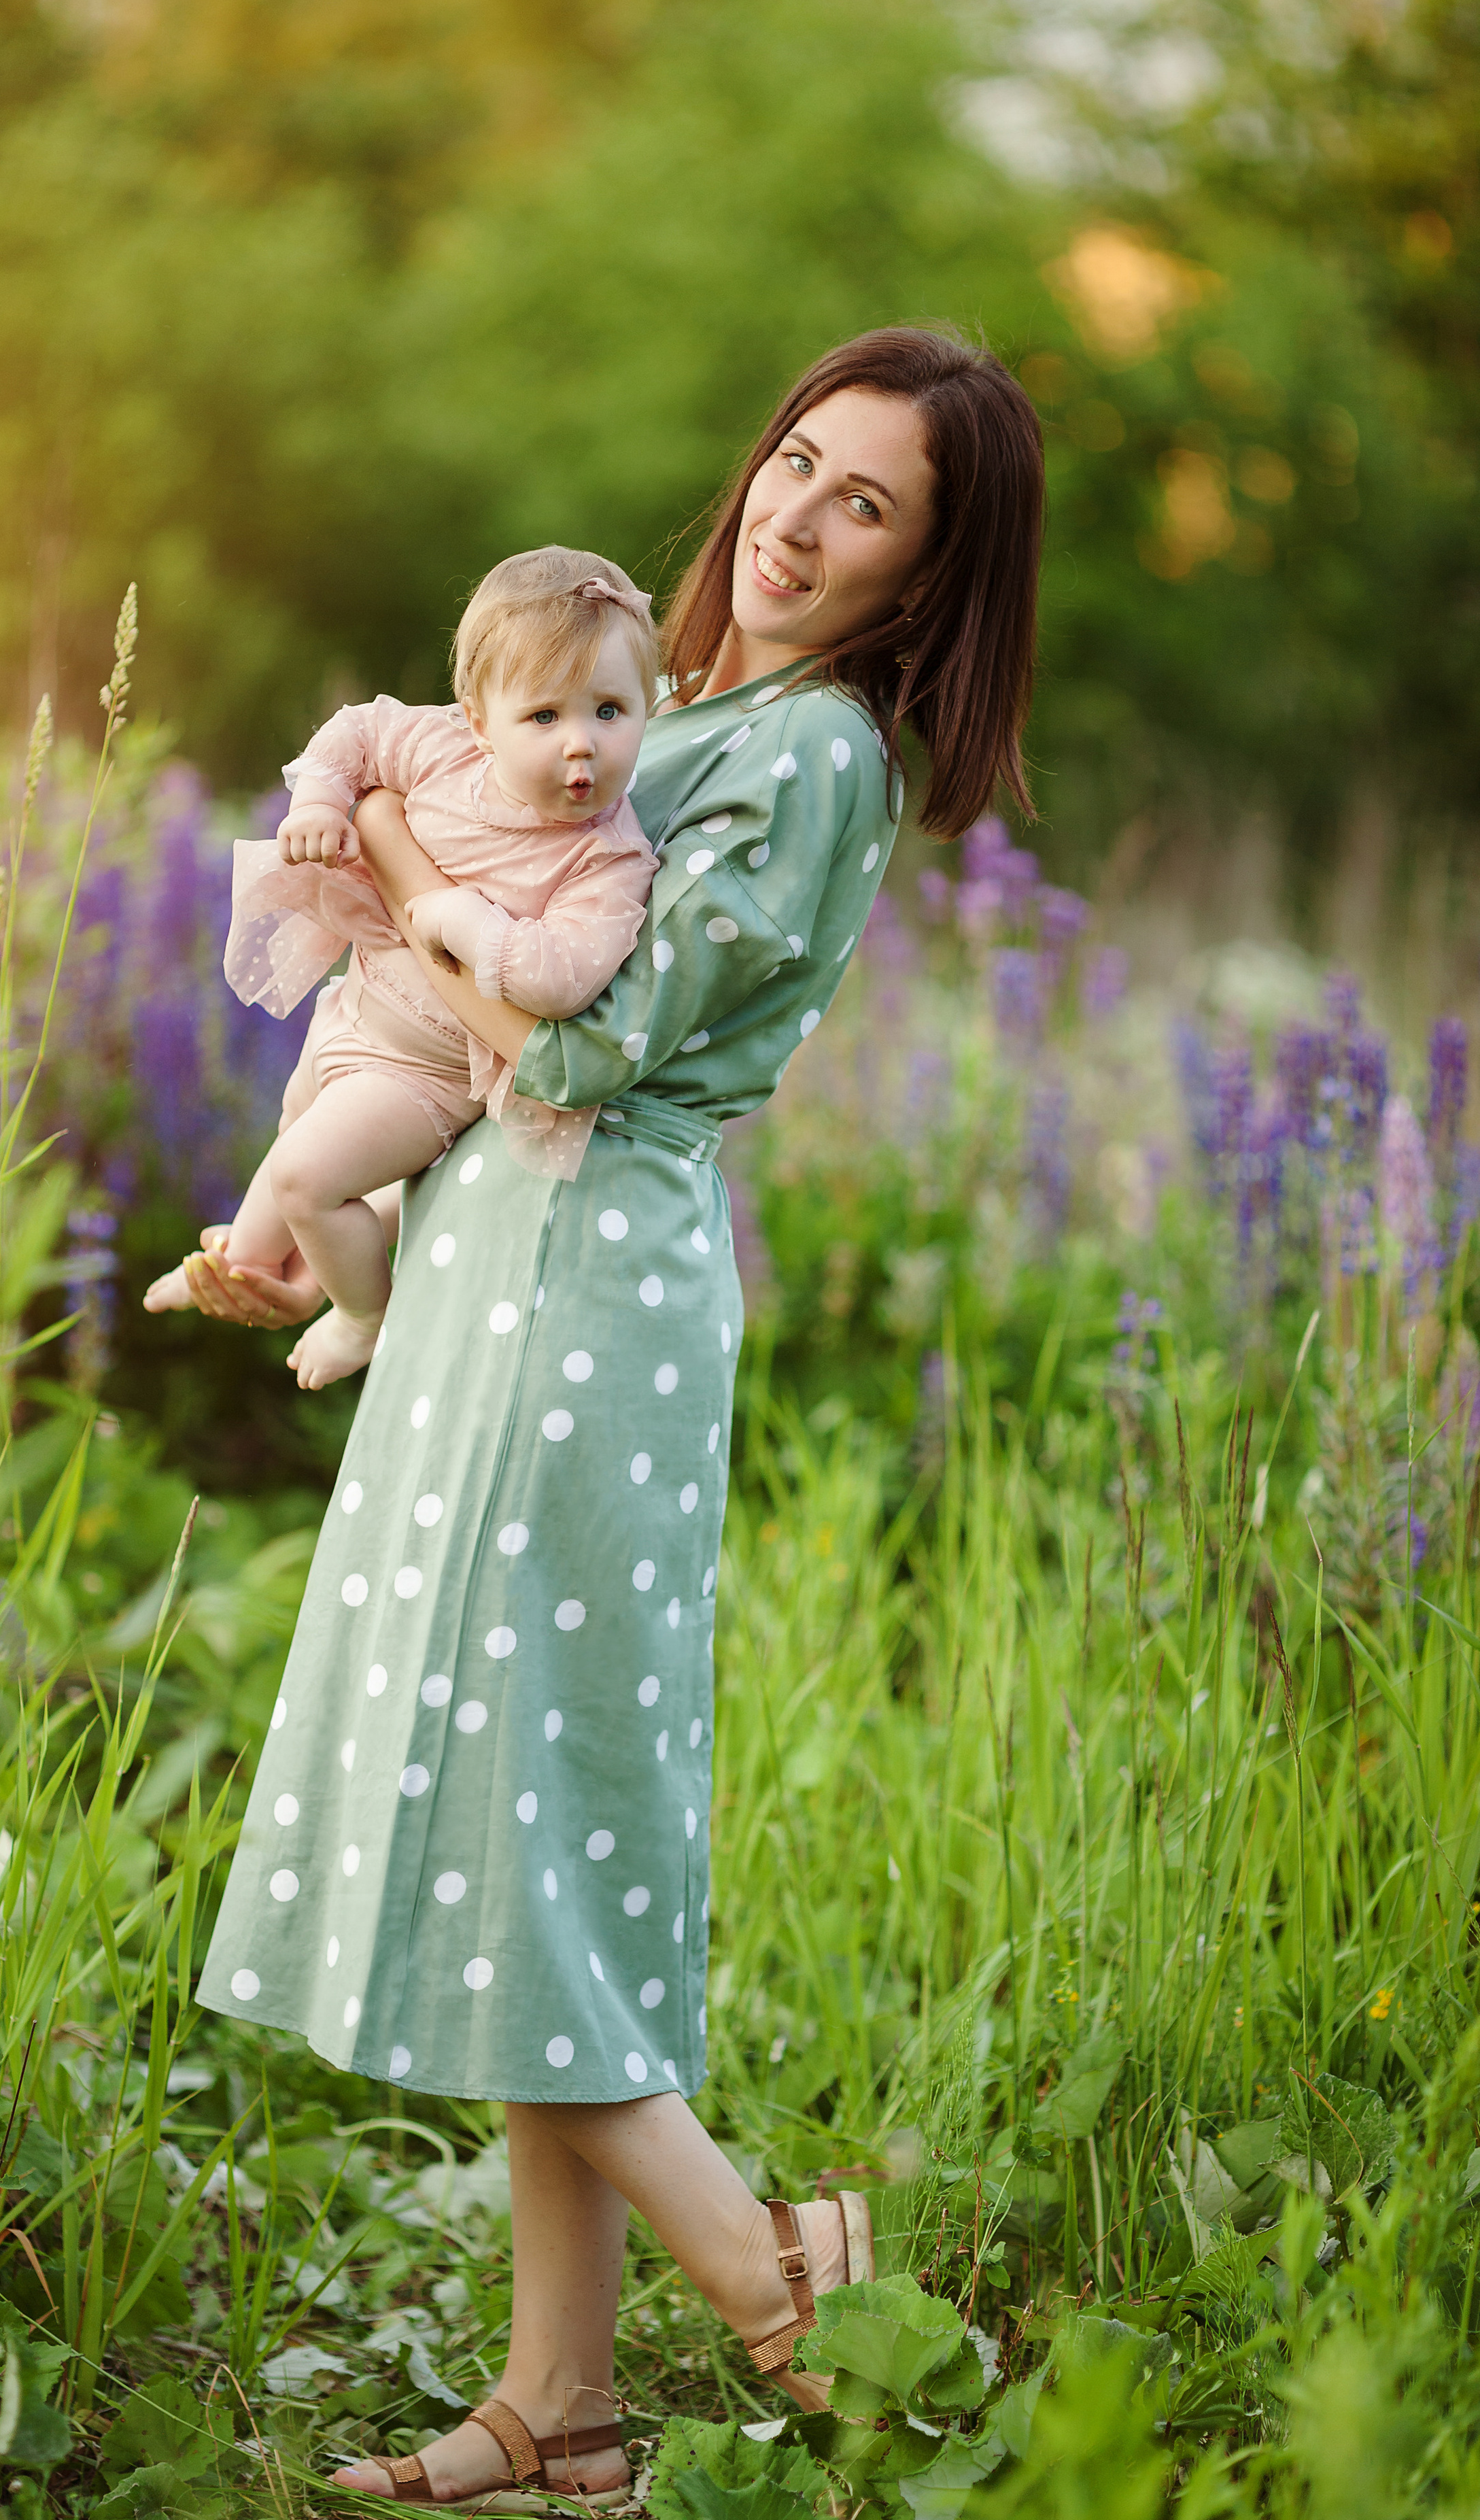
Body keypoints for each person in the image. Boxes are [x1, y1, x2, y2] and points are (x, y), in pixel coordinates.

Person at [179, 328, 1044, 2506]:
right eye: (796, 460)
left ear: (926, 576)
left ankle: (790, 2292)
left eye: (868, 505)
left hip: (582, 1280)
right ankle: (555, 2394)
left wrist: (390, 842)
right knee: (519, 1824)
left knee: (514, 1821)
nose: (797, 512)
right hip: (501, 1264)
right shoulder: (690, 706)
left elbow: (573, 1054)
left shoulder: (816, 754)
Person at [143, 551, 660, 1391]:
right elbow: (354, 730)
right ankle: (231, 1269)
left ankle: (363, 1316)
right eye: (543, 716)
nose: (582, 743)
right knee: (281, 1174)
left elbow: (566, 976)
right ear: (479, 720)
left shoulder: (606, 859)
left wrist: (469, 920)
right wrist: (317, 801)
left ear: (647, 709)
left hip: (426, 1071)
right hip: (355, 1013)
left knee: (308, 1177)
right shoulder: (443, 750)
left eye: (610, 710)